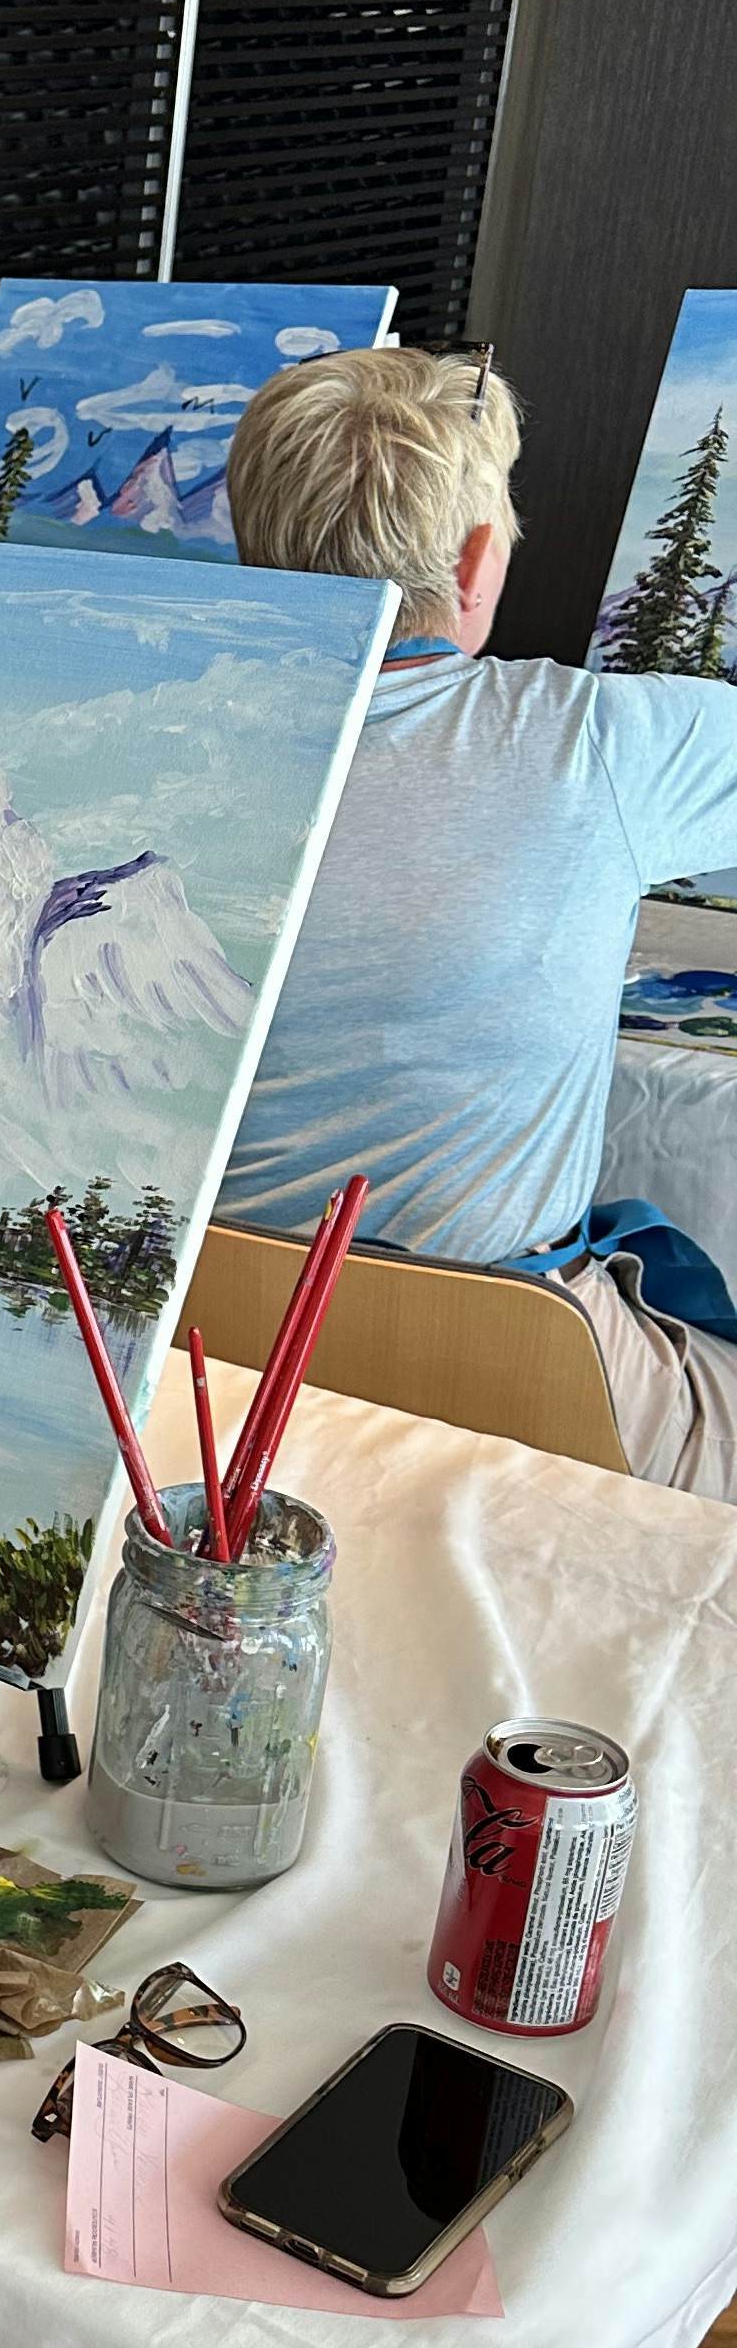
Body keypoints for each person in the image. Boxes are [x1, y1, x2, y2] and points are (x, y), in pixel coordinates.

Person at [220, 346, 737, 1494]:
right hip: (513, 1370)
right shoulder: (598, 742)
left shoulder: (160, 738)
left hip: (213, 1347)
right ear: (471, 559)